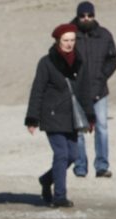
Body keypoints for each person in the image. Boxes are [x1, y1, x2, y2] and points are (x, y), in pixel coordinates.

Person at [26, 23, 94, 208]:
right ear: (57, 41)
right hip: (52, 115)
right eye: (66, 40)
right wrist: (32, 118)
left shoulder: (79, 61)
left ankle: (46, 179)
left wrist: (90, 117)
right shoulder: (46, 62)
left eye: (72, 40)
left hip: (72, 117)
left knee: (73, 155)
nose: (69, 44)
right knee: (62, 154)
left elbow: (85, 90)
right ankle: (59, 196)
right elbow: (37, 90)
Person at [70, 2, 116, 178]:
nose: (86, 19)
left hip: (99, 90)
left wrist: (102, 75)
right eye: (83, 16)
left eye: (89, 15)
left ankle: (102, 166)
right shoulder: (70, 35)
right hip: (77, 91)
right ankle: (80, 167)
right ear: (78, 16)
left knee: (102, 127)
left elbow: (113, 58)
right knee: (79, 129)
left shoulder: (104, 35)